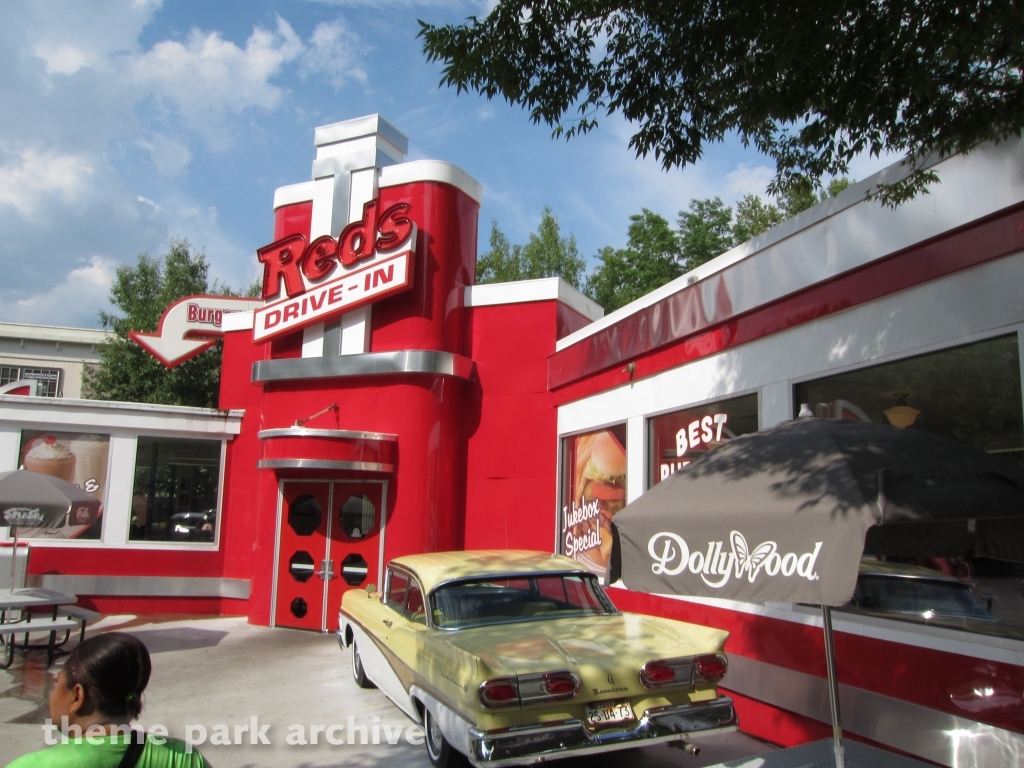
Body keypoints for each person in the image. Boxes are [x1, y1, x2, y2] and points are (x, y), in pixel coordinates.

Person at [6, 632, 209, 767]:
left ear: (78, 695)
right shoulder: (183, 758)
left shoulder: (32, 765)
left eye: (57, 684)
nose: (52, 694)